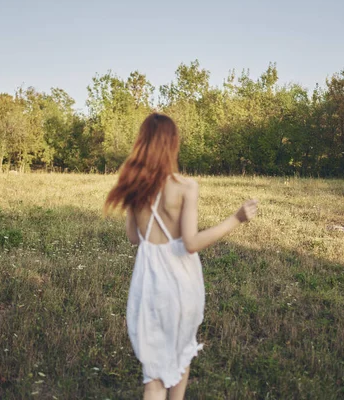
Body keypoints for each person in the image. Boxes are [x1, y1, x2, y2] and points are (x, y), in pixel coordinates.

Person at [104, 113, 258, 400]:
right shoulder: (186, 186)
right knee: (181, 355)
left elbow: (134, 238)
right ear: (172, 144)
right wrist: (237, 218)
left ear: (143, 143)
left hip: (148, 284)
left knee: (154, 375)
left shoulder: (134, 186)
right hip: (181, 284)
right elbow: (191, 243)